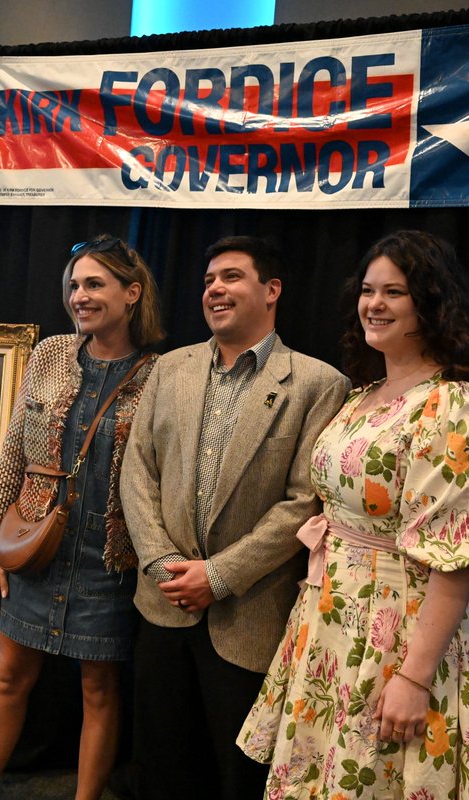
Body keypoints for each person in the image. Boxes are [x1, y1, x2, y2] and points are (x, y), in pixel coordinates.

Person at [237, 230, 469, 799]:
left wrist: (415, 678)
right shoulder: (365, 394)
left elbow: (456, 559)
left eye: (394, 292)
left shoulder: (455, 405)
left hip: (400, 631)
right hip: (334, 621)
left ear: (431, 303)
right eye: (368, 290)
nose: (374, 304)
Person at [120, 235, 349, 800]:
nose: (215, 289)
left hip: (248, 614)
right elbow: (137, 472)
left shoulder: (318, 384)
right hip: (164, 602)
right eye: (208, 281)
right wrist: (163, 563)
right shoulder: (170, 368)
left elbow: (303, 501)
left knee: (237, 775)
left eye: (230, 277)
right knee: (161, 765)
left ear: (271, 291)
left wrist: (218, 576)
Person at [0, 235, 163, 800]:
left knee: (99, 691)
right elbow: (13, 452)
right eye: (74, 285)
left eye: (95, 284)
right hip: (34, 547)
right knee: (8, 679)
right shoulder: (51, 353)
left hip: (108, 558)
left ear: (132, 293)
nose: (80, 295)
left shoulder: (161, 373)